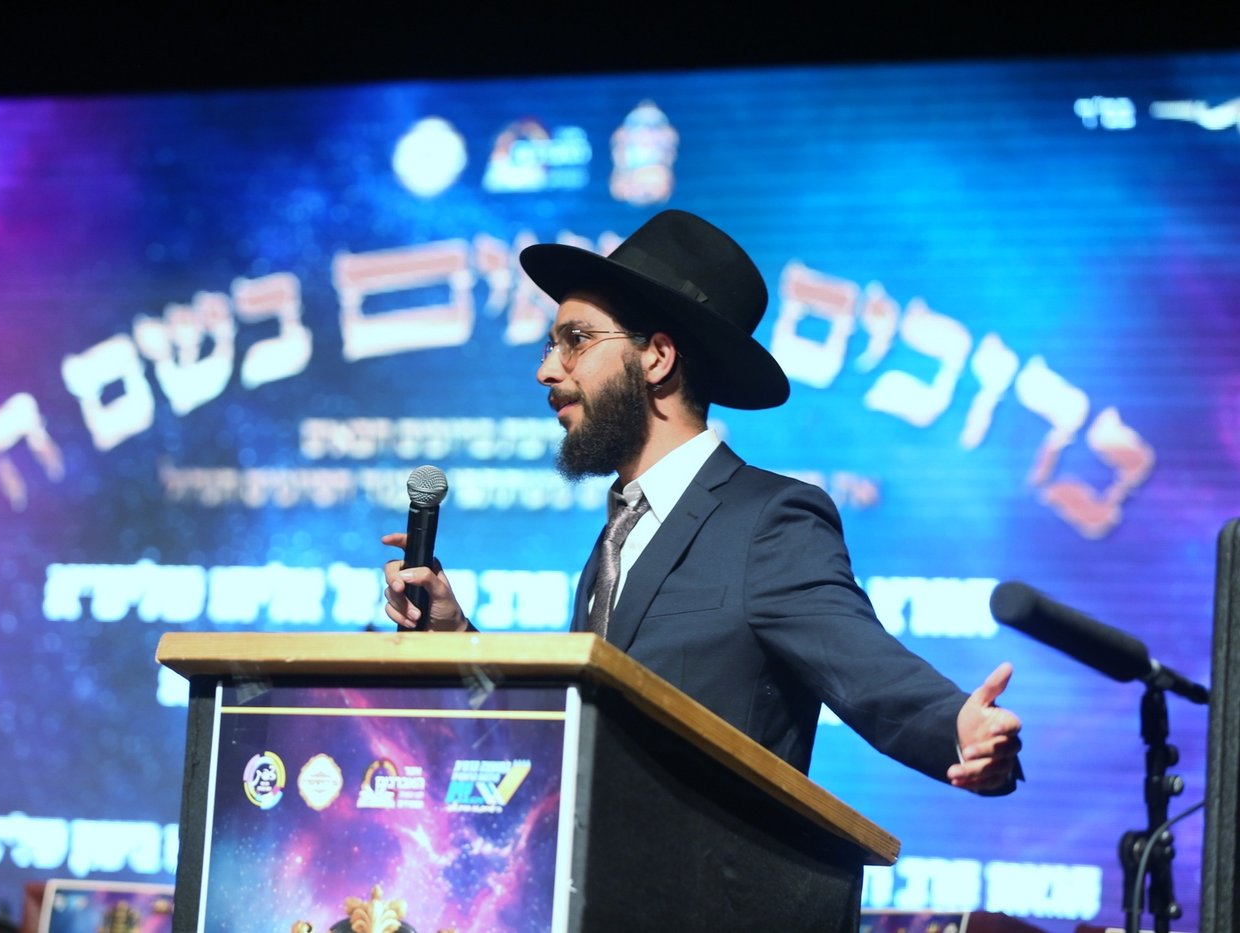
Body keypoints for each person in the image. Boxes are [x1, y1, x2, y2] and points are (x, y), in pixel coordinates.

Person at [382, 209, 1021, 794]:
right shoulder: (619, 533)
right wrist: (457, 636)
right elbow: (576, 728)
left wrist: (957, 728)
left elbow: (862, 666)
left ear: (657, 358)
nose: (547, 370)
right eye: (551, 345)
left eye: (575, 339)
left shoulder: (768, 521)